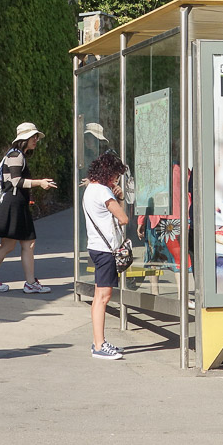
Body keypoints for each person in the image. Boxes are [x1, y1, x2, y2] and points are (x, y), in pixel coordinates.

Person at [0, 123, 57, 293]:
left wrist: (30, 194)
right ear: (24, 139)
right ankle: (25, 283)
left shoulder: (17, 155)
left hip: (16, 204)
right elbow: (15, 181)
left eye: (36, 136)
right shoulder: (16, 155)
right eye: (33, 137)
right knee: (22, 244)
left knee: (14, 245)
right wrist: (40, 183)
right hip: (14, 205)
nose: (36, 140)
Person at [83, 150, 130, 360]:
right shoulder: (104, 192)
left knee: (97, 297)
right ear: (109, 174)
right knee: (104, 297)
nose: (116, 179)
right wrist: (118, 196)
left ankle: (98, 341)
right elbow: (123, 218)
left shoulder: (90, 189)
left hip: (95, 246)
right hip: (105, 249)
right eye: (116, 176)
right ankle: (99, 345)